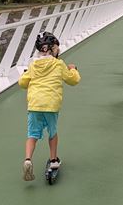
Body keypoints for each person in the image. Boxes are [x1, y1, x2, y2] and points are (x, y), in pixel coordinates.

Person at [18, 30, 80, 181]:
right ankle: (53, 161)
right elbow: (73, 80)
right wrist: (73, 70)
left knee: (32, 134)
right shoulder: (58, 64)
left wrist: (26, 75)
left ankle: (27, 160)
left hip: (34, 105)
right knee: (52, 133)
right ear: (52, 48)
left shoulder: (33, 65)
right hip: (51, 104)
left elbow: (22, 83)